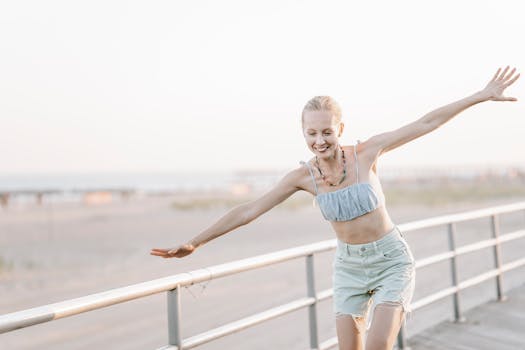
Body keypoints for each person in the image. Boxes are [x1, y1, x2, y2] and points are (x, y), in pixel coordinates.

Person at [151, 66, 519, 350]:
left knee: (378, 345)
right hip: (349, 267)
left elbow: (427, 122)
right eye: (311, 133)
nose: (319, 140)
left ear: (340, 128)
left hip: (391, 259)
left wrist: (482, 95)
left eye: (326, 131)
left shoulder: (367, 153)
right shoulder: (302, 177)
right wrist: (195, 243)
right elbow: (248, 211)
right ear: (303, 133)